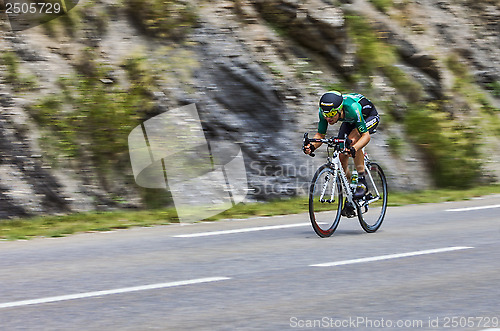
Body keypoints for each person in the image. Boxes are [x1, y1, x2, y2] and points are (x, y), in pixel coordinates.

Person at [303, 91, 380, 215]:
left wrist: (354, 148)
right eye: (326, 114)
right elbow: (320, 135)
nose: (328, 118)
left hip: (368, 116)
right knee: (341, 153)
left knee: (353, 140)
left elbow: (366, 137)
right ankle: (352, 191)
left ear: (339, 110)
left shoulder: (352, 107)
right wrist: (311, 147)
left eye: (332, 114)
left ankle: (362, 180)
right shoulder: (325, 112)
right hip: (350, 120)